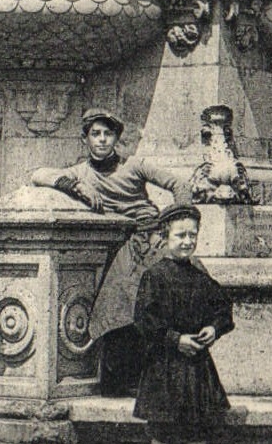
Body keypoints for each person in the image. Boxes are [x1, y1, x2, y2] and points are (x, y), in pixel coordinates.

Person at [31, 108, 191, 392]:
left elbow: (179, 184)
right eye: (96, 134)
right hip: (119, 244)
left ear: (117, 138)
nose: (102, 140)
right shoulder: (81, 172)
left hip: (152, 238)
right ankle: (126, 380)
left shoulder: (134, 165)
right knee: (116, 306)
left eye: (108, 134)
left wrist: (175, 224)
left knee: (161, 298)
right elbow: (38, 174)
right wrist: (76, 186)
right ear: (85, 139)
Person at [133, 203, 233, 444]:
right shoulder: (154, 276)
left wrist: (214, 329)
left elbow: (224, 309)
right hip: (164, 364)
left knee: (197, 427)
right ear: (165, 238)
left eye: (193, 235)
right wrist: (176, 339)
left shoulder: (201, 277)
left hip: (195, 366)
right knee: (161, 427)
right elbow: (144, 321)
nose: (187, 241)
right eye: (180, 236)